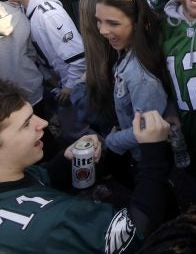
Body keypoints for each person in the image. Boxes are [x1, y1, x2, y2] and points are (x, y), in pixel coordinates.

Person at [0, 79, 173, 253]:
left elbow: (37, 178)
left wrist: (67, 161)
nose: (43, 123)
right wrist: (153, 152)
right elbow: (135, 230)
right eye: (26, 124)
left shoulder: (10, 176)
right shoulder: (53, 221)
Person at [84, 0, 171, 162]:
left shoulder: (140, 76)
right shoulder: (128, 52)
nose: (102, 30)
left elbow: (147, 129)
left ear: (137, 24)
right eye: (99, 20)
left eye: (113, 23)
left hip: (147, 159)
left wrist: (110, 141)